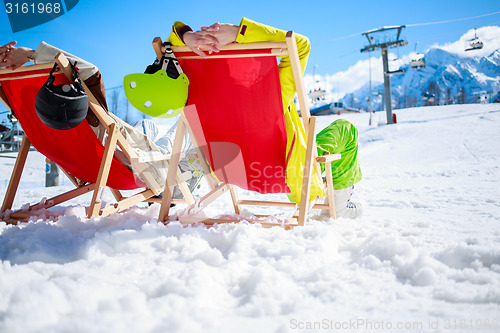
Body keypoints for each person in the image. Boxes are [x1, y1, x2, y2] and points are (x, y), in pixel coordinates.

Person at [162, 18, 363, 218]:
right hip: (288, 173)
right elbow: (301, 45)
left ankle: (331, 201)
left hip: (228, 170)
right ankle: (338, 205)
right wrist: (239, 32)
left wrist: (186, 37)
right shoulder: (270, 94)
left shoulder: (198, 93)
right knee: (345, 128)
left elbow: (168, 49)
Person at [0, 41, 202, 198]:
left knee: (147, 124)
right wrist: (29, 54)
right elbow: (89, 72)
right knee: (185, 124)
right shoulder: (84, 118)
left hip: (92, 164)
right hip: (139, 166)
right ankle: (187, 170)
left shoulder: (38, 120)